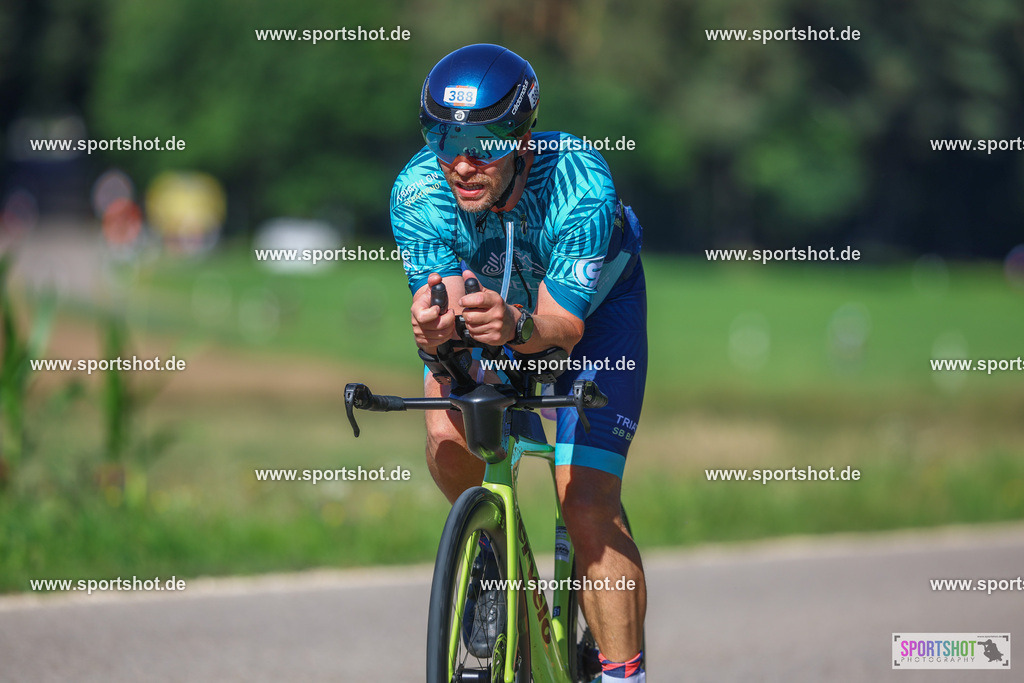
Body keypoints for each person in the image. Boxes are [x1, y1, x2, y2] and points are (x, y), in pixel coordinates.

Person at [390, 43, 648, 683]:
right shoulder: (419, 190)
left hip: (590, 322)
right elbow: (444, 318)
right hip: (501, 316)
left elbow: (562, 327)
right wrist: (431, 333)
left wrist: (517, 325)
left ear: (525, 134)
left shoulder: (579, 181)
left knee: (584, 500)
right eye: (445, 140)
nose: (463, 164)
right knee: (448, 433)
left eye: (486, 142)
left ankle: (623, 673)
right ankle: (489, 562)